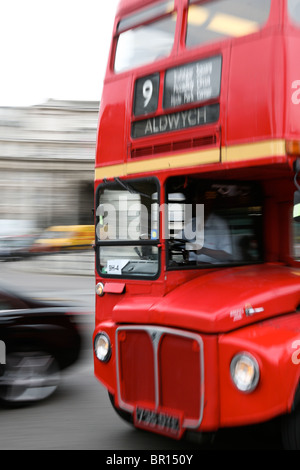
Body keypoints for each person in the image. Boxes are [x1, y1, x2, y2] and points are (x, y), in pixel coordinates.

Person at [181, 185, 233, 264]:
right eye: (195, 202)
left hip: (214, 270)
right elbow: (179, 241)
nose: (195, 205)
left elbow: (227, 254)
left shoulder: (220, 224)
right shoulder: (191, 224)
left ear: (207, 203)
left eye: (199, 202)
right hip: (191, 268)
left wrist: (203, 250)